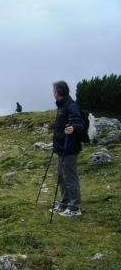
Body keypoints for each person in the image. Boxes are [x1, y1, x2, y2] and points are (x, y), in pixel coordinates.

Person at [51, 80, 84, 217]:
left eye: (54, 90)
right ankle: (65, 202)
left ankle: (75, 207)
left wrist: (73, 128)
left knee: (69, 177)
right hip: (61, 148)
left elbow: (79, 123)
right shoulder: (62, 105)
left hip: (69, 148)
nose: (53, 93)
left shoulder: (71, 105)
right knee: (60, 176)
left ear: (58, 92)